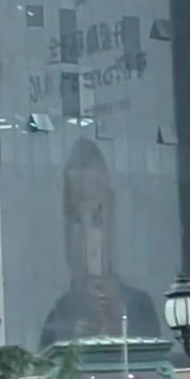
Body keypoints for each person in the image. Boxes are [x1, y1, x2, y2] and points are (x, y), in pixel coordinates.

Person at [40, 139, 161, 348]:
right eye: (78, 221)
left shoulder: (139, 309)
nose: (90, 236)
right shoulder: (58, 320)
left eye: (97, 218)